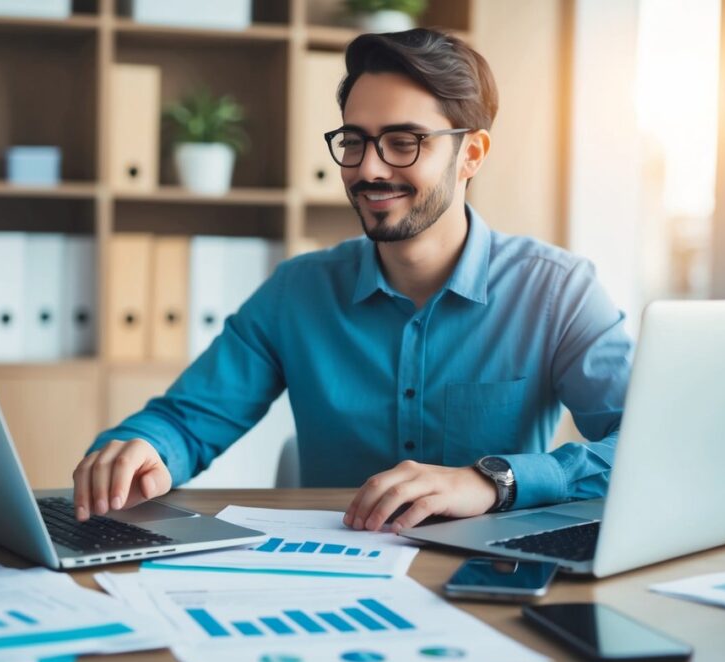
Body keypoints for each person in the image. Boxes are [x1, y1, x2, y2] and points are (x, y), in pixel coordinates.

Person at [73, 28, 633, 534]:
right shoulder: (297, 292)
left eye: (404, 141)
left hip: (492, 583)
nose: (369, 168)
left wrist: (492, 481)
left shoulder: (557, 292)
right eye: (355, 141)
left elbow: (643, 449)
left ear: (472, 154)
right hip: (331, 580)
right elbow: (187, 420)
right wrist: (141, 449)